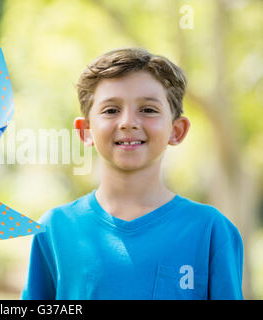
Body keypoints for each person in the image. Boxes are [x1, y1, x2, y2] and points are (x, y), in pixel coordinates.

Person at [20, 48, 243, 300]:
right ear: (86, 131)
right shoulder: (55, 229)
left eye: (148, 110)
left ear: (176, 130)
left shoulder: (211, 230)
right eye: (110, 110)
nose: (128, 122)